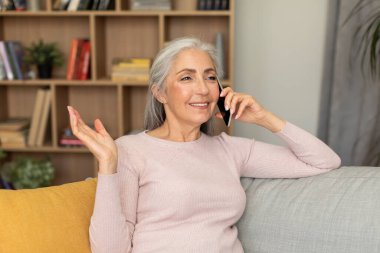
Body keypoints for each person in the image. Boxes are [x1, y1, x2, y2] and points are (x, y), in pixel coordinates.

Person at [67, 37, 341, 253]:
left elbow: (324, 161)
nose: (202, 89)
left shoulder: (231, 149)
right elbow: (110, 250)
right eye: (187, 77)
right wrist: (108, 168)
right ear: (160, 92)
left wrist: (265, 118)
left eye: (210, 77)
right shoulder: (129, 150)